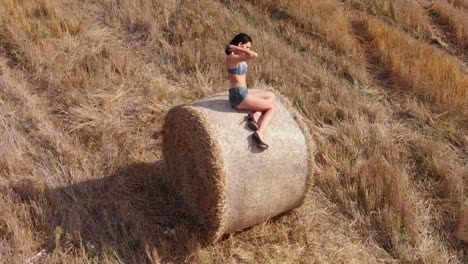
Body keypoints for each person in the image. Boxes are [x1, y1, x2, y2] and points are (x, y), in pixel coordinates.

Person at [225, 33, 277, 150]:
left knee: (270, 95)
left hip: (242, 92)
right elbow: (254, 55)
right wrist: (238, 48)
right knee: (272, 108)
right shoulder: (232, 58)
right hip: (239, 95)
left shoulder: (238, 57)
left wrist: (239, 49)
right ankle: (260, 132)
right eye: (247, 47)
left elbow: (251, 55)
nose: (248, 50)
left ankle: (255, 115)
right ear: (240, 44)